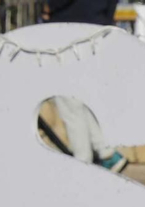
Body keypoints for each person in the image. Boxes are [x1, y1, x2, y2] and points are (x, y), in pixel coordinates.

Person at [42, 0, 127, 173]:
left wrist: (49, 6)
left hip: (68, 32)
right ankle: (106, 153)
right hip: (96, 31)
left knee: (68, 100)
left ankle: (84, 163)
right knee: (82, 97)